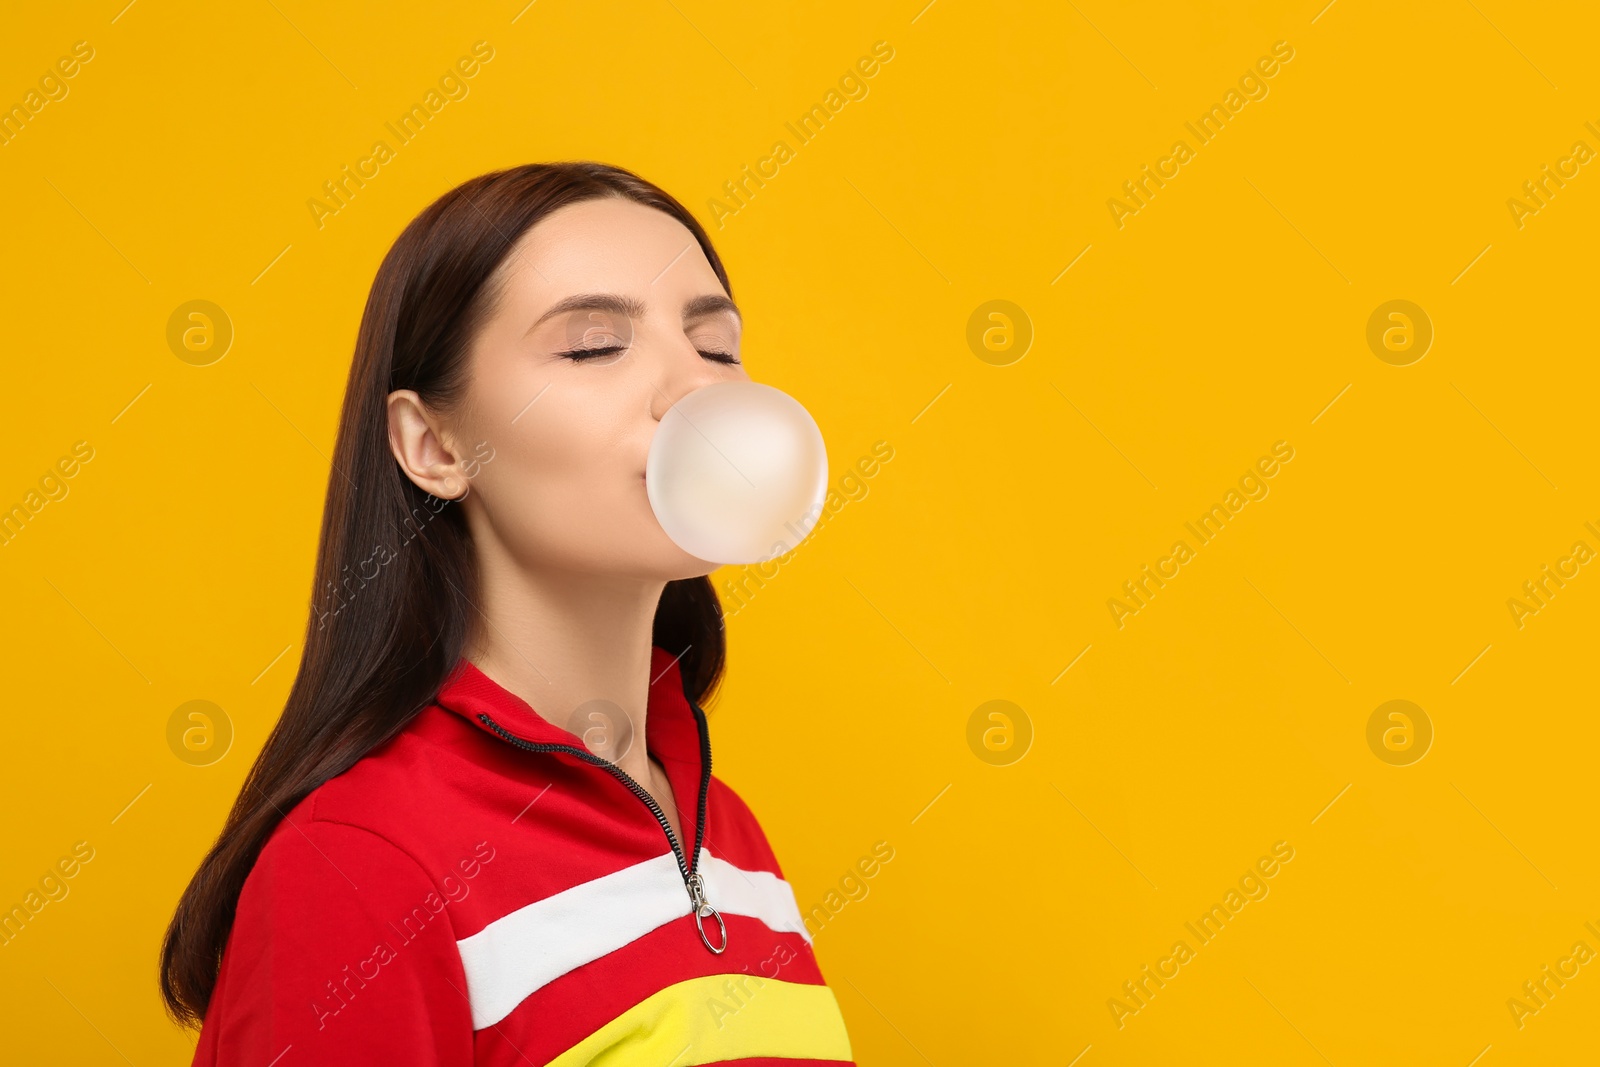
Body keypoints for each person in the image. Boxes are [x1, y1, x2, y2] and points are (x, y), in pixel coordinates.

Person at [159, 162, 856, 1065]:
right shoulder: (360, 867)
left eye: (716, 346)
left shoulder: (728, 832)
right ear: (436, 444)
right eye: (594, 345)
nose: (695, 388)